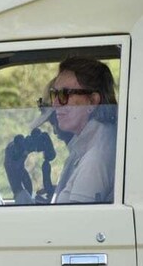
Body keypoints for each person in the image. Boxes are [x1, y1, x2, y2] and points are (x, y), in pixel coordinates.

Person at [9, 57, 117, 204]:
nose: (55, 103)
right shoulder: (96, 143)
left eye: (64, 95)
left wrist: (17, 187)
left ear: (92, 101)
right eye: (54, 94)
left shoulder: (94, 159)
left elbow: (72, 224)